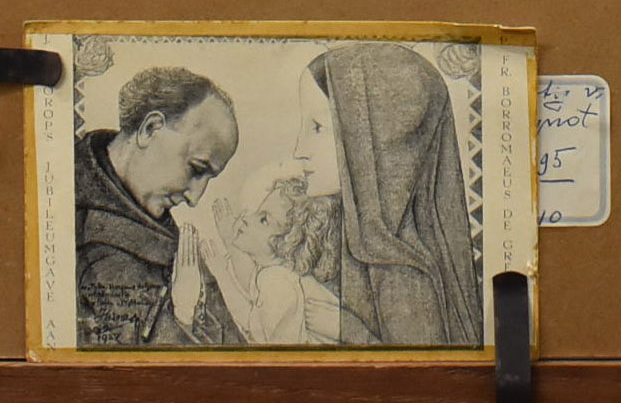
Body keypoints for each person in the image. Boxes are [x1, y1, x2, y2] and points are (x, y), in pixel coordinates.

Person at [291, 43, 483, 347]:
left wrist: (348, 331)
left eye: (317, 127)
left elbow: (424, 373)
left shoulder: (403, 276)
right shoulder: (355, 241)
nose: (299, 150)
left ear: (374, 141)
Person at [75, 65, 244, 348]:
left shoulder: (170, 240)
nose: (195, 198)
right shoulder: (67, 220)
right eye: (196, 168)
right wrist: (183, 319)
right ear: (150, 129)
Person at [208, 175, 361, 346]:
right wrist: (230, 242)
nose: (246, 218)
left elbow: (256, 332)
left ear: (286, 241)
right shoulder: (277, 273)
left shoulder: (278, 281)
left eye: (263, 220)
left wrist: (221, 276)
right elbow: (251, 289)